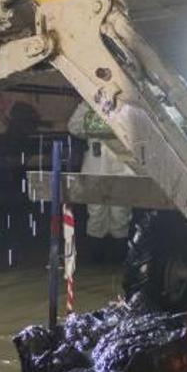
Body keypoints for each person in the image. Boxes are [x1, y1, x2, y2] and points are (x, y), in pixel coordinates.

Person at [67, 101, 134, 262]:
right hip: (96, 164)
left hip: (123, 164)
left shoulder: (130, 102)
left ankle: (118, 257)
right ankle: (95, 258)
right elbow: (74, 126)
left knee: (121, 213)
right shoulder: (89, 101)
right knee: (96, 212)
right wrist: (94, 120)